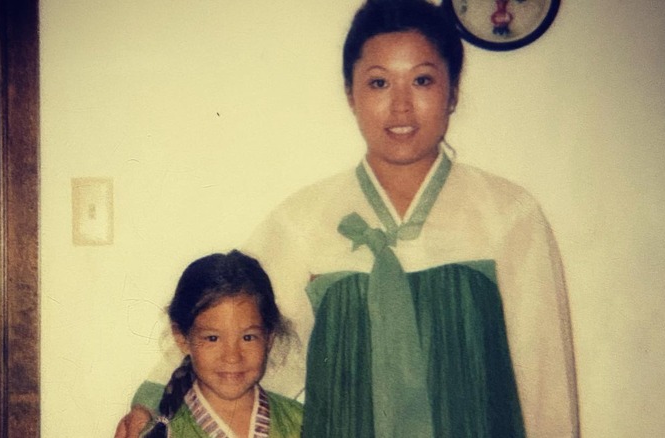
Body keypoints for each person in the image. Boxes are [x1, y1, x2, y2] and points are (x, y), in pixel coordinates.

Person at [121, 0, 579, 436]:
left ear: (452, 91)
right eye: (379, 83)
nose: (400, 106)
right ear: (351, 94)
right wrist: (152, 400)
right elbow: (226, 317)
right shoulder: (306, 217)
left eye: (422, 81)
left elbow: (545, 382)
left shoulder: (507, 214)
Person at [114, 251, 303, 438]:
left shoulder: (303, 422)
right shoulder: (163, 432)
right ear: (182, 338)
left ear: (269, 338)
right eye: (212, 338)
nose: (232, 356)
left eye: (248, 337)